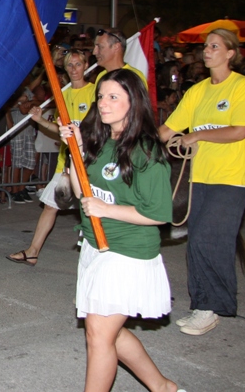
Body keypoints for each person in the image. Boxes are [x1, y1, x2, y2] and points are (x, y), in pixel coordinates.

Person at [58, 69, 182, 392]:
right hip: (96, 246)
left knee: (99, 334)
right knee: (107, 331)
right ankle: (163, 386)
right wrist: (75, 149)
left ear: (134, 102)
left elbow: (158, 214)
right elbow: (82, 194)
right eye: (101, 96)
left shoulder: (146, 150)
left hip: (127, 252)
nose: (103, 103)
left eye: (113, 97)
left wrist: (107, 210)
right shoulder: (101, 141)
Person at [159, 29, 245, 336]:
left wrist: (197, 135)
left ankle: (211, 307)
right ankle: (202, 304)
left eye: (215, 46)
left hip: (230, 178)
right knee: (197, 241)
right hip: (199, 177)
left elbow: (240, 130)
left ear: (230, 53)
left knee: (210, 240)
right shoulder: (197, 91)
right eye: (206, 46)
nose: (207, 50)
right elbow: (166, 130)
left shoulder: (241, 86)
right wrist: (136, 138)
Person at [8, 49, 95, 265]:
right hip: (66, 163)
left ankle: (98, 252)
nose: (74, 69)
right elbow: (60, 129)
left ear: (86, 66)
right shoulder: (62, 94)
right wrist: (39, 120)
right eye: (70, 65)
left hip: (89, 161)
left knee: (92, 208)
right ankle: (33, 251)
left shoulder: (95, 92)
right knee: (50, 206)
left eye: (78, 64)